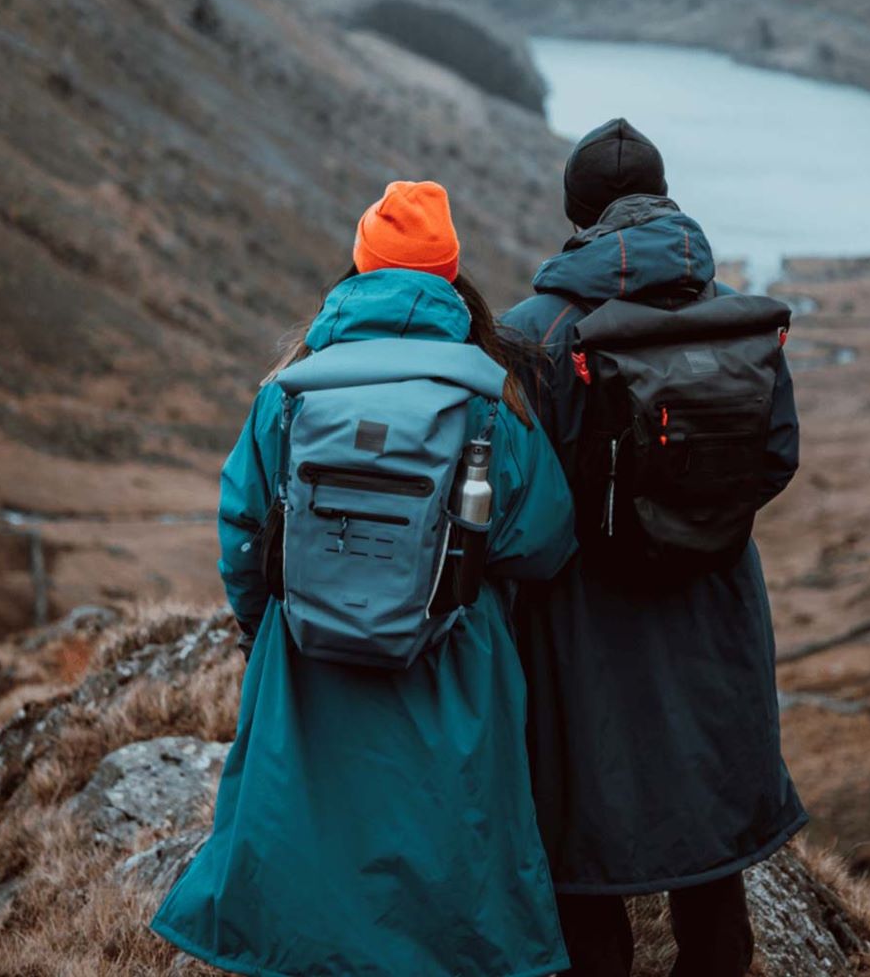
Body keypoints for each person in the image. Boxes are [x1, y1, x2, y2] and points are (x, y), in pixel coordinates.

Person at [151, 180, 577, 977]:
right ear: (450, 279)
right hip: (452, 663)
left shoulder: (289, 391)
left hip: (305, 664)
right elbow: (547, 540)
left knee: (307, 845)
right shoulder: (492, 400)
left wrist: (265, 631)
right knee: (447, 848)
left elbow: (244, 534)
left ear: (359, 268)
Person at [502, 119, 808, 977]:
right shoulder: (737, 317)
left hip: (585, 629)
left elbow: (521, 502)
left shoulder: (533, 331)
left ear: (578, 212)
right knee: (709, 842)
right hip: (716, 609)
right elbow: (775, 460)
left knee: (587, 847)